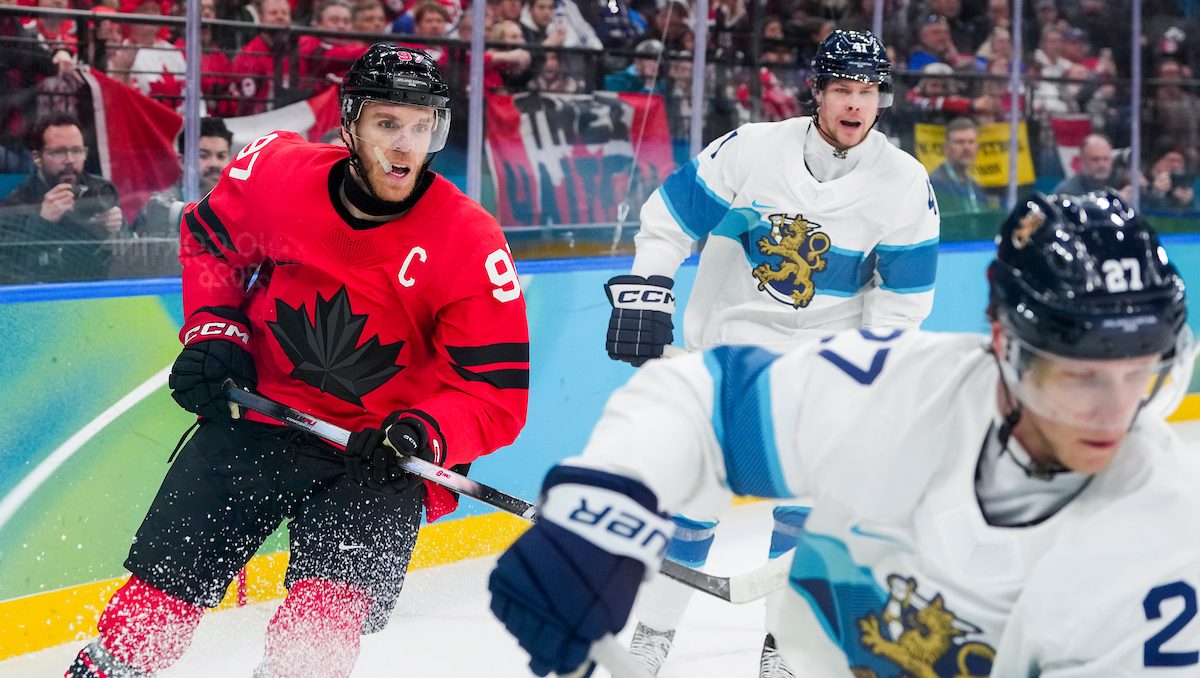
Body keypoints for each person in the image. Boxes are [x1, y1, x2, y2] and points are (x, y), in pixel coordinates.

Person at [490, 190, 1200, 678]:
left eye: (1139, 374)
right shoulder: (904, 389)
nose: (1115, 412)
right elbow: (706, 396)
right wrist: (607, 503)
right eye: (1076, 378)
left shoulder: (1166, 548)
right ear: (1001, 341)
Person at [66, 44, 530, 678]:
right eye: (387, 123)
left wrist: (425, 433)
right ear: (350, 125)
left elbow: (493, 395)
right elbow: (209, 239)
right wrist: (213, 328)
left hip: (374, 461)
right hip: (257, 419)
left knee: (313, 643)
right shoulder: (279, 176)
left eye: (422, 127)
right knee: (152, 614)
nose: (405, 146)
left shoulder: (469, 241)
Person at [602, 29, 939, 677]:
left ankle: (782, 653)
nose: (855, 105)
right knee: (693, 510)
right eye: (842, 88)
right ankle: (651, 641)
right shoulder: (753, 148)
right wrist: (647, 287)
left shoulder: (902, 182)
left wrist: (875, 378)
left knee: (806, 524)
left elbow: (902, 303)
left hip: (822, 378)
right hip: (727, 359)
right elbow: (671, 218)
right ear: (817, 91)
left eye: (867, 91)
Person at [0, 112, 124, 284]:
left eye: (76, 150)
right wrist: (43, 221)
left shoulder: (101, 190)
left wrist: (118, 229)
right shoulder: (16, 203)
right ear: (37, 158)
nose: (70, 160)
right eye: (59, 152)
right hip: (46, 294)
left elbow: (132, 256)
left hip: (95, 291)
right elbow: (9, 269)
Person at [133, 116, 234, 236]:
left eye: (221, 156)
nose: (214, 164)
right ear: (182, 162)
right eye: (203, 155)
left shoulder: (237, 204)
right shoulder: (159, 207)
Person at [929, 117, 999, 215]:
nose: (966, 147)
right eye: (959, 142)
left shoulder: (976, 186)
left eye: (971, 142)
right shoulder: (936, 185)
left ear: (977, 147)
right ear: (946, 148)